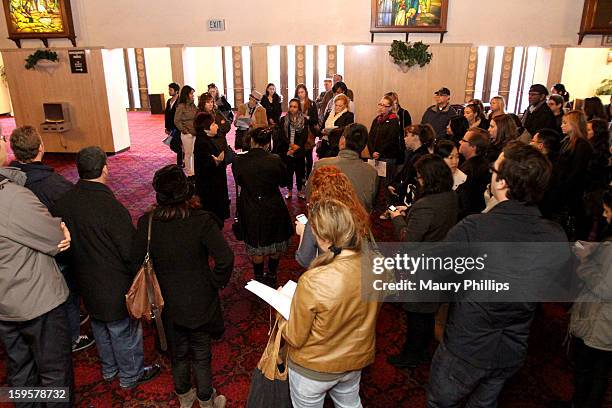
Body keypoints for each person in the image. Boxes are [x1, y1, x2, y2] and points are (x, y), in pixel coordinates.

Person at [427, 142, 571, 407]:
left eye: (494, 170)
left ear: (502, 183)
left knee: (441, 402)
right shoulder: (555, 234)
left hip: (466, 346)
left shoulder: (474, 228)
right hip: (512, 349)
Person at [52, 146, 161, 389]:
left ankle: (110, 369)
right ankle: (130, 375)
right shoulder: (111, 207)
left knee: (100, 326)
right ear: (104, 169)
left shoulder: (63, 203)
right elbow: (129, 251)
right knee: (124, 330)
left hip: (83, 278)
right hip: (114, 282)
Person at [131, 165, 234, 408]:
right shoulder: (201, 220)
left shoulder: (147, 223)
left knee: (177, 352)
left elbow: (135, 260)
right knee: (201, 351)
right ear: (187, 191)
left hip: (164, 300)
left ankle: (184, 396)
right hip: (199, 298)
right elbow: (226, 258)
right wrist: (214, 282)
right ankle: (207, 399)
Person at [279, 199, 380, 408]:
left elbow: (295, 337)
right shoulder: (376, 266)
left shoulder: (314, 280)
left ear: (323, 237)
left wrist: (282, 313)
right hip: (354, 361)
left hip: (314, 368)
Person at [0, 135, 75, 405]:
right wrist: (60, 227)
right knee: (54, 373)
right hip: (35, 301)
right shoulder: (11, 197)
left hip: (5, 303)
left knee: (20, 371)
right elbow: (55, 238)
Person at [9, 125, 95, 353]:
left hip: (19, 255)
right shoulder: (54, 185)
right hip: (57, 248)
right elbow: (75, 214)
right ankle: (73, 336)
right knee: (67, 291)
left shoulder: (9, 182)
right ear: (41, 148)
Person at [388, 155, 458, 368]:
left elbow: (408, 240)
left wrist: (397, 218)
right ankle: (423, 350)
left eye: (420, 178)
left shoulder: (426, 205)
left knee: (416, 314)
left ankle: (411, 356)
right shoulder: (451, 196)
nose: (418, 181)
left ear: (430, 178)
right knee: (428, 312)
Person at [232, 127, 293, 287]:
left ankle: (258, 277)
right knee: (276, 241)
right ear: (268, 144)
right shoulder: (275, 160)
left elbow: (239, 181)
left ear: (251, 141)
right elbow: (284, 182)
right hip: (273, 204)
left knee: (256, 244)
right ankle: (272, 274)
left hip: (250, 204)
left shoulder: (239, 160)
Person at [567, 195, 612, 408]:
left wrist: (585, 262)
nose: (604, 215)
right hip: (603, 321)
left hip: (603, 321)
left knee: (591, 370)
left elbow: (606, 288)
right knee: (598, 372)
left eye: (607, 210)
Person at [296, 166, 371, 268]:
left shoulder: (319, 217)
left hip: (330, 273)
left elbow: (304, 260)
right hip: (356, 268)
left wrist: (302, 232)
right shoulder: (357, 210)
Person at [308, 123, 379, 213]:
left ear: (342, 141)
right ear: (364, 146)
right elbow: (370, 204)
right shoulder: (371, 172)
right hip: (357, 222)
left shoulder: (321, 165)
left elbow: (309, 196)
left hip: (325, 222)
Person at [558, 111, 593, 240]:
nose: (562, 125)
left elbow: (576, 171)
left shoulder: (582, 145)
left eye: (565, 123)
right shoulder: (567, 141)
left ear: (574, 125)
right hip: (566, 188)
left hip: (573, 191)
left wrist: (563, 188)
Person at [386, 124, 436, 216]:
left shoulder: (420, 156)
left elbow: (410, 179)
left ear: (415, 137)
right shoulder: (414, 154)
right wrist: (392, 183)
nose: (404, 139)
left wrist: (396, 187)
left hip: (410, 196)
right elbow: (402, 173)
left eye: (407, 135)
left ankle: (392, 213)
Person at [193, 113, 230, 222]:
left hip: (214, 182)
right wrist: (216, 162)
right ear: (205, 128)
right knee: (212, 212)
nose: (217, 126)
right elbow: (205, 167)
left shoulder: (208, 139)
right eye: (213, 124)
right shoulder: (202, 143)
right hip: (210, 186)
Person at [275, 98, 308, 200]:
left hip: (299, 150)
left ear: (298, 108)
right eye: (291, 106)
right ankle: (289, 190)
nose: (292, 109)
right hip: (287, 149)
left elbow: (304, 135)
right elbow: (282, 134)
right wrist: (290, 144)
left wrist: (297, 146)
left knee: (300, 172)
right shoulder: (283, 119)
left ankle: (299, 190)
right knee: (288, 171)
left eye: (295, 107)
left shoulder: (304, 120)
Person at [584, 119, 611, 240]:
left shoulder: (600, 152)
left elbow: (593, 173)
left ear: (597, 133)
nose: (586, 132)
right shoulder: (589, 146)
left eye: (589, 130)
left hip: (594, 191)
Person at [457, 128, 490, 219]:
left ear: (473, 147)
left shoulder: (469, 170)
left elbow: (462, 201)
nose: (460, 142)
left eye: (464, 140)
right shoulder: (484, 164)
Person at [530, 128, 562, 219]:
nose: (530, 143)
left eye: (532, 140)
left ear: (540, 145)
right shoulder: (557, 160)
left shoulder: (544, 165)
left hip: (542, 211)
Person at [367, 95, 402, 178]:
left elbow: (390, 140)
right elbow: (370, 137)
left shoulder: (393, 120)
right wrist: (372, 152)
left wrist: (379, 152)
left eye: (384, 105)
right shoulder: (376, 120)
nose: (381, 107)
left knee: (385, 183)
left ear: (390, 108)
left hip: (387, 157)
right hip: (374, 157)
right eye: (380, 104)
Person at [295, 84, 319, 179]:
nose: (300, 94)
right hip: (298, 131)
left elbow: (315, 120)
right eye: (299, 92)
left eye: (302, 92)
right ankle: (300, 176)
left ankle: (308, 175)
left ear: (306, 92)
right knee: (299, 155)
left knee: (308, 155)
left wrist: (307, 117)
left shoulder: (312, 103)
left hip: (309, 132)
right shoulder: (294, 103)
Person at [319, 94, 354, 159]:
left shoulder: (348, 115)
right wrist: (323, 131)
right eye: (336, 105)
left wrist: (332, 131)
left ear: (345, 105)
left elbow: (347, 129)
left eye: (340, 106)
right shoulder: (329, 113)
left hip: (337, 145)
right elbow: (322, 127)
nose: (337, 107)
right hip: (325, 144)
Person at [174, 85, 198, 177]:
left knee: (194, 152)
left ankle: (194, 171)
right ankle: (189, 172)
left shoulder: (193, 105)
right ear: (186, 94)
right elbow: (176, 120)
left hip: (195, 132)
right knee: (188, 153)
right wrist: (184, 130)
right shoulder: (181, 106)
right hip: (187, 133)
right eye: (191, 93)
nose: (193, 95)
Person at [165, 82, 183, 167]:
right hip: (171, 127)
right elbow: (167, 115)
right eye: (169, 89)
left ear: (176, 91)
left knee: (175, 144)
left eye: (171, 90)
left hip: (178, 127)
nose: (169, 91)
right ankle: (182, 154)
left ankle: (180, 163)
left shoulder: (180, 102)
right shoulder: (169, 101)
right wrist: (167, 127)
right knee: (172, 145)